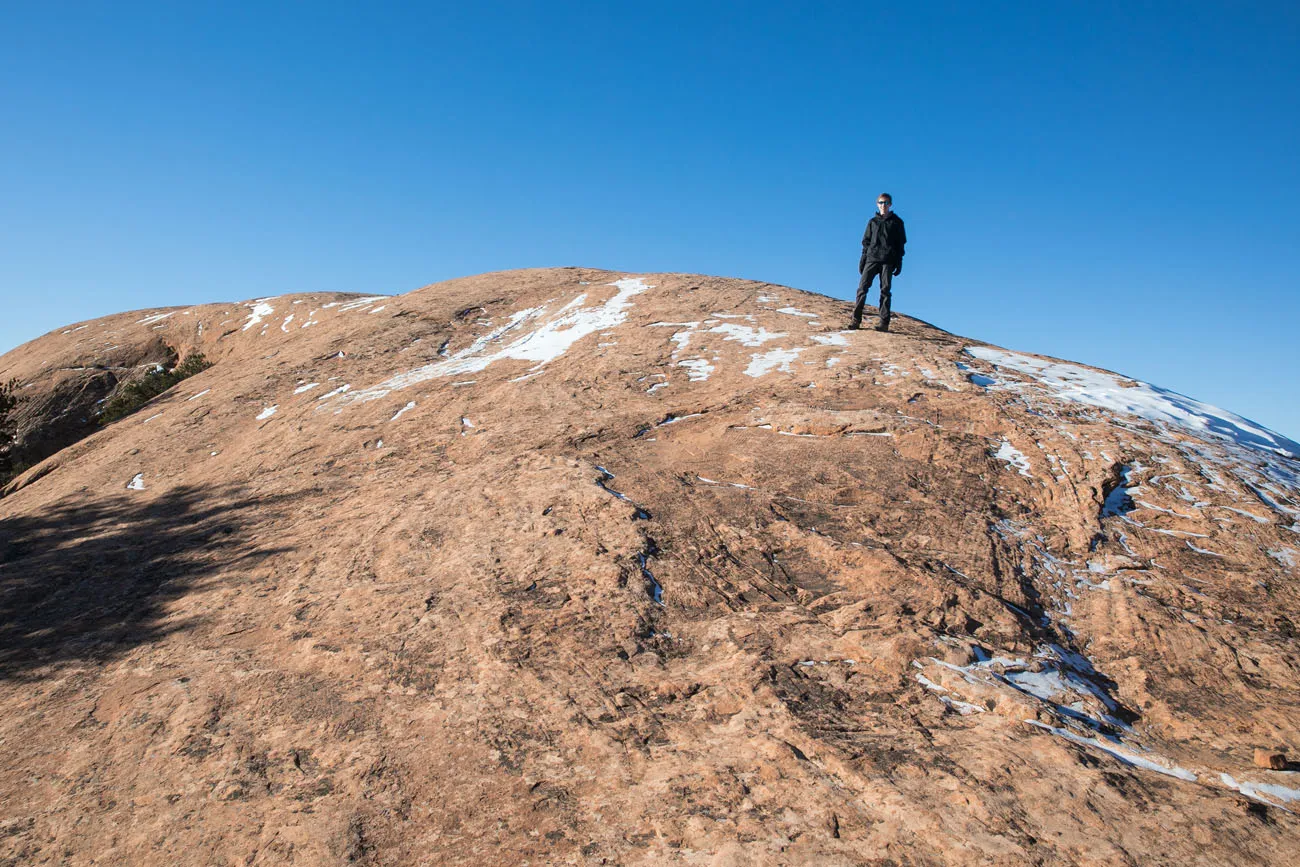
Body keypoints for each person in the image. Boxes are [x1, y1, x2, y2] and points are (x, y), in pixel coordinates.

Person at [849, 192, 906, 332]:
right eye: (881, 202)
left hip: (888, 261)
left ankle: (884, 323)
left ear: (890, 204)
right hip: (872, 259)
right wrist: (863, 260)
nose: (883, 205)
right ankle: (855, 320)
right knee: (862, 289)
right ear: (877, 204)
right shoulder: (872, 222)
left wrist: (899, 262)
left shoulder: (897, 222)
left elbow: (900, 244)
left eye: (886, 203)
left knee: (885, 291)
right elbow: (866, 242)